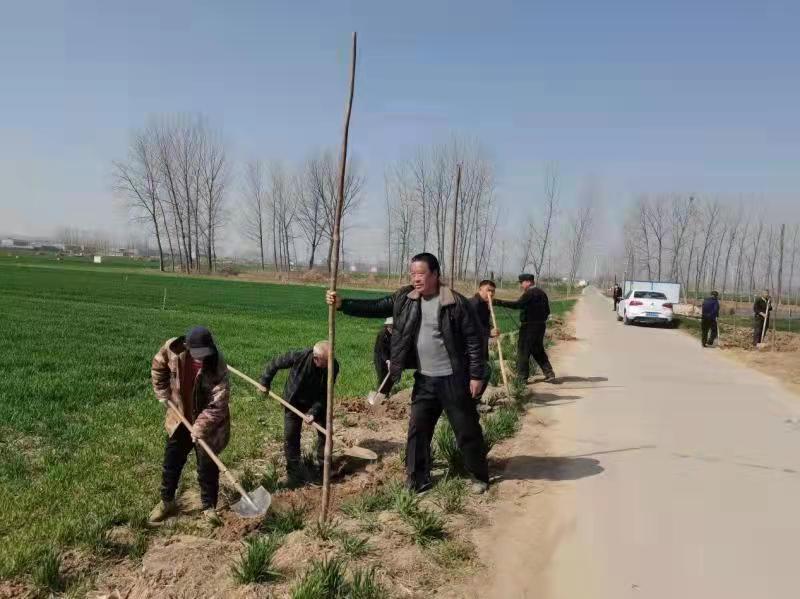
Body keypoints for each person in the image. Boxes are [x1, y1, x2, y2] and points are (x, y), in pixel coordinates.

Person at [326, 252, 489, 494]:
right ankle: (417, 479)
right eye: (412, 274)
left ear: (435, 274)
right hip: (425, 379)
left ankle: (479, 476)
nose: (416, 278)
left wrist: (476, 376)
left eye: (421, 273)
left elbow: (475, 341)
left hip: (454, 379)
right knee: (417, 431)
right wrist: (343, 304)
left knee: (466, 429)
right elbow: (377, 306)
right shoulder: (406, 298)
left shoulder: (455, 303)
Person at [148, 326, 230, 525]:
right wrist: (162, 392)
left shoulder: (218, 364)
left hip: (207, 422)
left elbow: (218, 403)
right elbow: (158, 366)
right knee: (172, 461)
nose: (201, 359)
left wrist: (200, 426)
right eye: (197, 354)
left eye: (205, 354)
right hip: (179, 416)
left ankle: (209, 507)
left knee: (207, 466)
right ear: (187, 346)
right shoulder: (172, 349)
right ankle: (166, 501)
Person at [260, 341, 339, 486]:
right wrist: (265, 382)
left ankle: (324, 468)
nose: (330, 363)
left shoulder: (333, 367)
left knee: (326, 434)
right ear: (316, 358)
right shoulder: (300, 356)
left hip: (316, 402)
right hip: (294, 401)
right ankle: (294, 473)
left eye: (331, 360)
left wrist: (313, 412)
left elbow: (325, 394)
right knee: (291, 436)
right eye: (326, 361)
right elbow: (276, 363)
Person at [494, 273, 555, 381]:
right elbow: (548, 311)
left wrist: (499, 302)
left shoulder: (529, 293)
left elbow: (517, 304)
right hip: (541, 326)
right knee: (538, 350)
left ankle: (522, 378)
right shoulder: (542, 293)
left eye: (522, 282)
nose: (521, 285)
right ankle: (549, 373)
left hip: (528, 327)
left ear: (528, 281)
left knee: (523, 350)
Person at [468, 279, 500, 403]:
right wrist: (488, 332)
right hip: (471, 349)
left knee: (483, 372)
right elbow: (470, 329)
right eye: (488, 290)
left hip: (481, 347)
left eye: (493, 292)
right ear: (480, 289)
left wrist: (492, 329)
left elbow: (484, 324)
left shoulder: (484, 305)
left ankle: (473, 401)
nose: (490, 294)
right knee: (484, 372)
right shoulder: (473, 305)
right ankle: (473, 401)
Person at [373, 317, 393, 389]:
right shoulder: (382, 335)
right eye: (390, 326)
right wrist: (387, 361)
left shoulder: (397, 334)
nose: (392, 328)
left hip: (391, 356)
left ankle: (387, 394)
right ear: (387, 326)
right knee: (382, 375)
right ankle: (381, 393)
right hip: (380, 356)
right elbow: (382, 350)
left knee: (391, 376)